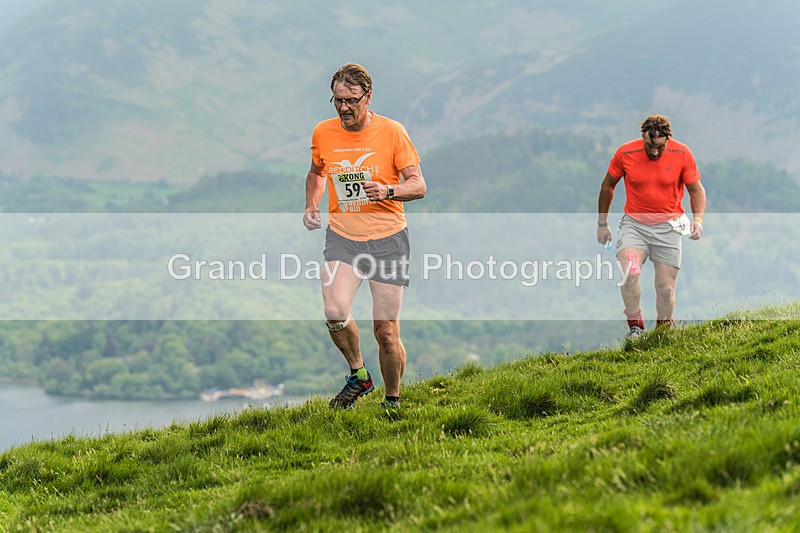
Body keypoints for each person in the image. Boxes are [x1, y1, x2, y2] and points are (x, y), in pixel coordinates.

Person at [303, 63, 426, 410]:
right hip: (343, 238)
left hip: (388, 240)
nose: (344, 108)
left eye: (351, 100)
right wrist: (311, 204)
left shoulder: (392, 132)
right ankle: (359, 375)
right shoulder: (323, 132)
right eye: (337, 100)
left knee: (386, 333)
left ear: (368, 97)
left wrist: (388, 190)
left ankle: (392, 401)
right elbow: (316, 172)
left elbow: (418, 185)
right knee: (334, 311)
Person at [597, 114, 706, 339]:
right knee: (630, 272)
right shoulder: (625, 153)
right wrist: (602, 224)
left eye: (660, 147)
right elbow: (608, 185)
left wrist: (697, 220)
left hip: (670, 227)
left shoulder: (682, 153)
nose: (654, 152)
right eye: (649, 146)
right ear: (643, 137)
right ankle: (635, 328)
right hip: (635, 226)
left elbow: (696, 190)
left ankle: (662, 335)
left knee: (665, 289)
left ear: (668, 140)